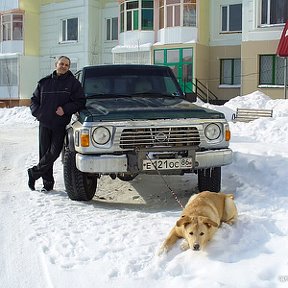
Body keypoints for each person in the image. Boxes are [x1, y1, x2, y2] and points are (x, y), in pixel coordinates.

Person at [28, 56, 86, 192]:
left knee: (53, 153)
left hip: (59, 125)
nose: (64, 66)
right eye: (61, 64)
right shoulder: (44, 82)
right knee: (44, 154)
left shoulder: (73, 84)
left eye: (66, 65)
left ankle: (34, 173)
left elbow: (80, 101)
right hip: (45, 124)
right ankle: (47, 185)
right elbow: (33, 100)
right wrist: (39, 113)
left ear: (68, 67)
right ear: (56, 64)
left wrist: (65, 109)